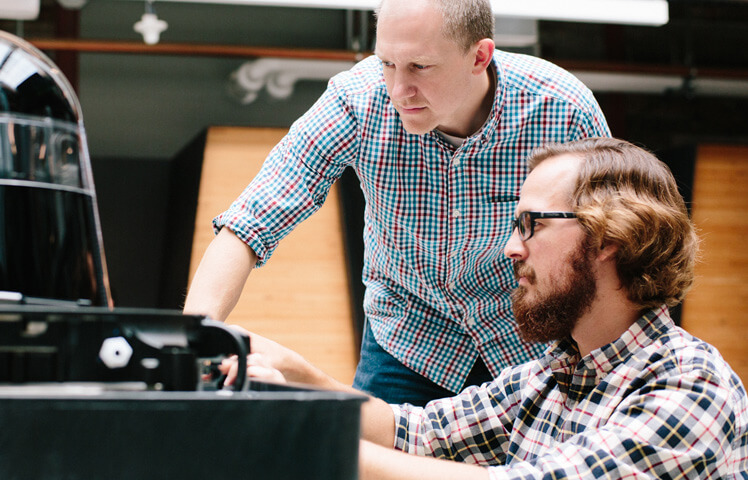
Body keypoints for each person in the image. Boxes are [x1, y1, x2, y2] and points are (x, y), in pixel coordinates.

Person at [225, 137, 748, 479]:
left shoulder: (691, 386)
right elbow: (413, 431)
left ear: (609, 235)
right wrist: (292, 376)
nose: (511, 248)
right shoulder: (552, 375)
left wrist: (303, 437)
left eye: (532, 225)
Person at [183, 0, 611, 406]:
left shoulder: (562, 109)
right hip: (409, 336)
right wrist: (193, 338)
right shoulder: (356, 100)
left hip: (527, 334)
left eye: (420, 67)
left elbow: (612, 247)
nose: (398, 89)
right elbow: (251, 221)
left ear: (480, 56)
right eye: (386, 63)